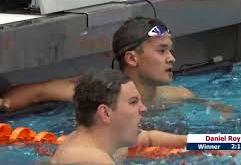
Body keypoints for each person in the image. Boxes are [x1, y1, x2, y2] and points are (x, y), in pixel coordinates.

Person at [0, 17, 232, 116]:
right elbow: (38, 91)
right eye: (161, 51)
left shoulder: (179, 95)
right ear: (132, 58)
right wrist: (6, 103)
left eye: (170, 50)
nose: (171, 58)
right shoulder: (94, 91)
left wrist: (224, 113)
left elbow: (219, 109)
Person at [51, 69, 186, 164]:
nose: (143, 108)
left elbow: (150, 138)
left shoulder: (109, 141)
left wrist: (206, 142)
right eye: (133, 102)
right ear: (105, 113)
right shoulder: (90, 160)